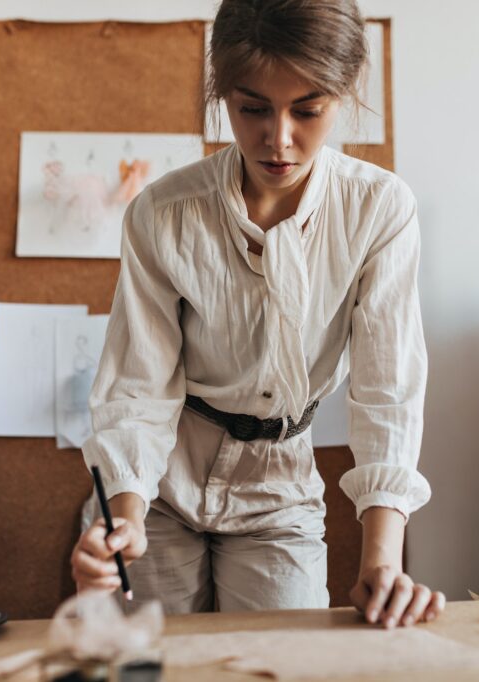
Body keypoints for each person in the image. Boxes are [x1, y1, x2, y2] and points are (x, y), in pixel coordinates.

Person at [72, 0, 444, 628]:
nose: (278, 139)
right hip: (160, 487)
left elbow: (389, 389)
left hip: (281, 493)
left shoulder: (380, 210)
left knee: (287, 660)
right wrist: (123, 522)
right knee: (146, 663)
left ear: (345, 94)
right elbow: (139, 386)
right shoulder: (162, 213)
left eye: (308, 109)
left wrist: (383, 561)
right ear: (222, 94)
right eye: (252, 109)